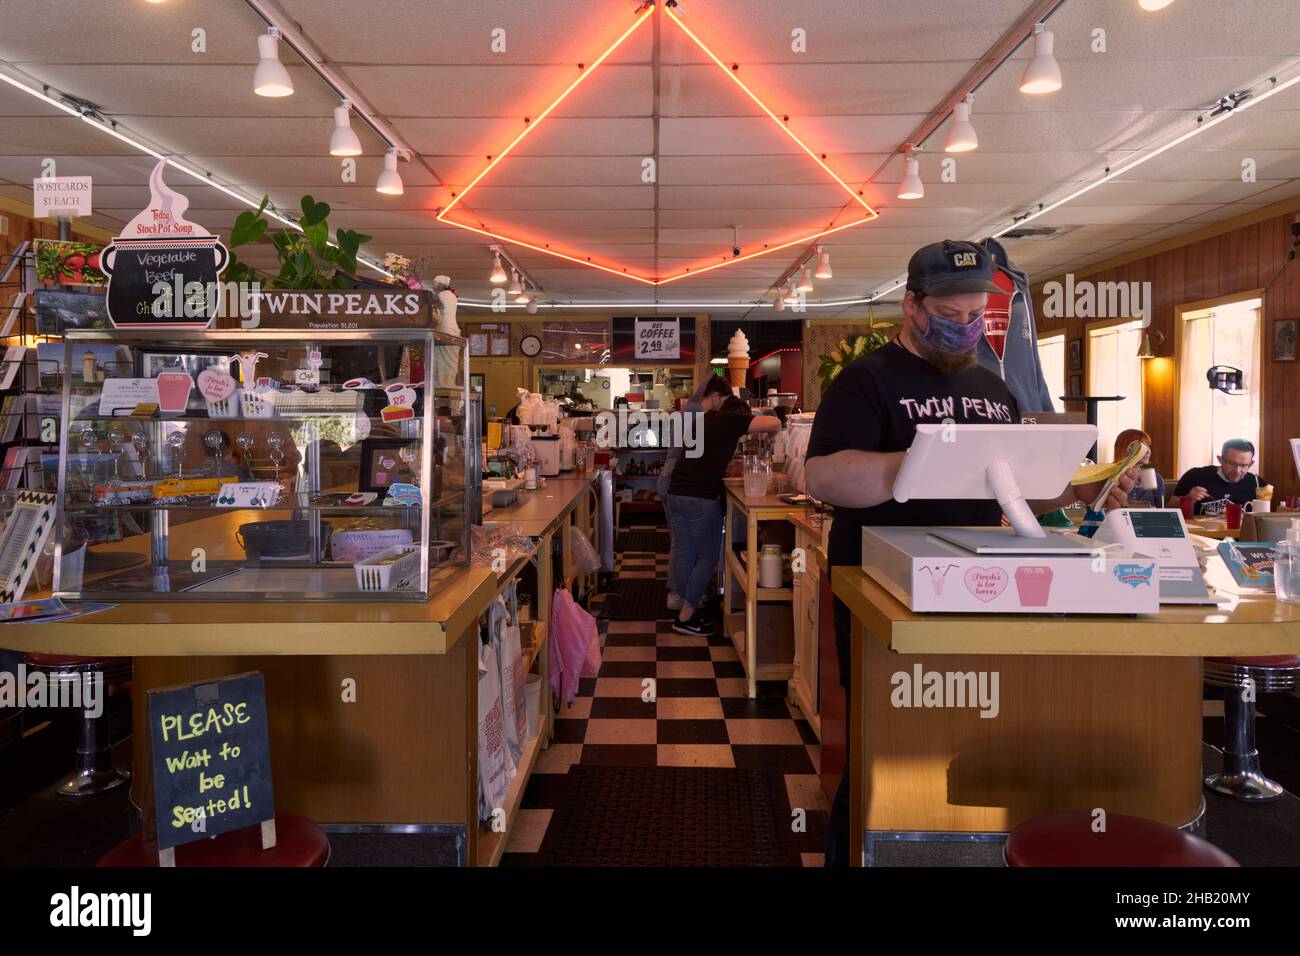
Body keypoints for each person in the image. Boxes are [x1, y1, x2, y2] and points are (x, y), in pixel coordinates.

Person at [803, 239, 1139, 867]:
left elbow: (1023, 492)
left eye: (976, 317)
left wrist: (1088, 485)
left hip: (984, 590)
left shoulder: (995, 389)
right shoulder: (865, 381)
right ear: (911, 305)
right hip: (882, 597)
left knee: (972, 738)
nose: (964, 329)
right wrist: (928, 463)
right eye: (950, 317)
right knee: (885, 745)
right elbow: (822, 478)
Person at [666, 395, 780, 636]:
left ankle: (688, 607)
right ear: (741, 416)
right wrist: (771, 437)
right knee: (707, 557)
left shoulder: (706, 419)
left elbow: (705, 459)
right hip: (700, 498)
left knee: (686, 553)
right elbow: (775, 423)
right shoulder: (731, 420)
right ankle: (686, 616)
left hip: (677, 492)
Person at [658, 375, 734, 610]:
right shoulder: (696, 415)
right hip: (678, 481)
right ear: (714, 396)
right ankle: (680, 595)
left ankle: (682, 594)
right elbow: (694, 456)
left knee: (682, 544)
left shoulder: (689, 411)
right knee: (683, 545)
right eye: (724, 401)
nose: (724, 408)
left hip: (671, 479)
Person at [1169, 439, 1267, 516]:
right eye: (1232, 464)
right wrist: (1188, 499)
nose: (1237, 471)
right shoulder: (1195, 476)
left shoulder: (1258, 484)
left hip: (1243, 539)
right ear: (1220, 459)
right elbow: (1169, 510)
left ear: (1251, 463)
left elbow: (1264, 520)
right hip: (1201, 538)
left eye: (1244, 465)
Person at [1113, 428, 1164, 506]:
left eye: (1148, 446)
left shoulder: (1157, 479)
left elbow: (1161, 512)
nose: (1148, 451)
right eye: (1142, 447)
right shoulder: (1111, 477)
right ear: (1126, 448)